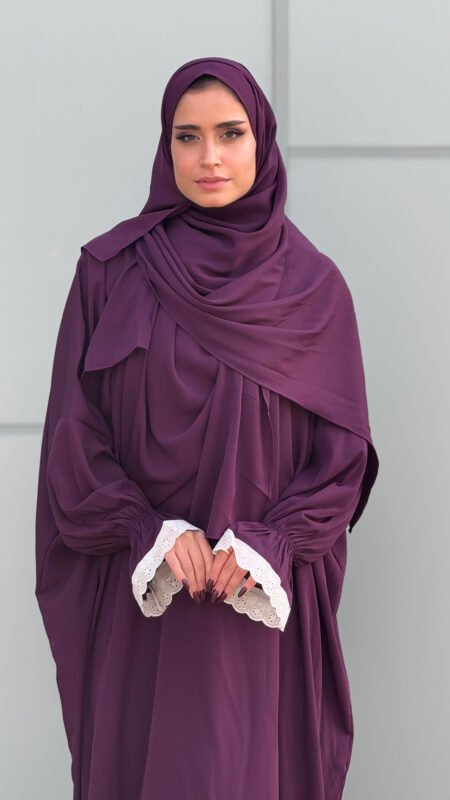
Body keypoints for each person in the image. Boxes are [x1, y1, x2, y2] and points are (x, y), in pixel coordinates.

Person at [35, 56, 379, 800]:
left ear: (262, 142)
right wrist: (149, 532)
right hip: (145, 603)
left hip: (257, 614)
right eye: (187, 137)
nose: (209, 157)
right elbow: (73, 437)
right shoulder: (110, 272)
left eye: (230, 133)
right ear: (166, 148)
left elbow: (341, 461)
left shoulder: (316, 290)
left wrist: (271, 543)